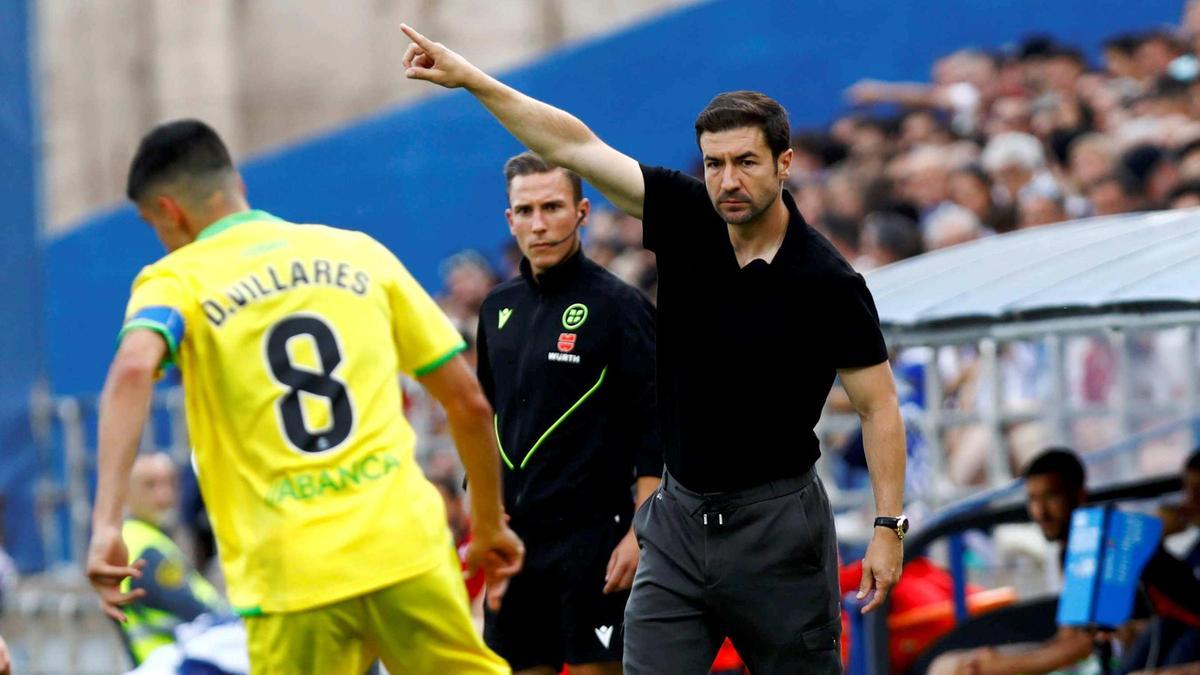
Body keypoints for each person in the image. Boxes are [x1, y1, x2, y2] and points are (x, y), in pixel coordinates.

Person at [399, 25, 908, 674]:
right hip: (678, 518)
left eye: (746, 162)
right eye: (714, 163)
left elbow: (878, 405)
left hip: (777, 525)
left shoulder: (827, 281)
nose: (727, 180)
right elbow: (572, 145)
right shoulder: (687, 214)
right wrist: (472, 79)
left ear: (785, 163)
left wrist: (888, 526)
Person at [85, 119, 523, 675]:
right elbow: (470, 404)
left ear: (169, 212)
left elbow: (132, 369)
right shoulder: (359, 253)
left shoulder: (176, 279)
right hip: (404, 549)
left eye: (154, 226)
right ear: (236, 182)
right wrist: (488, 525)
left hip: (291, 576)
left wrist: (106, 524)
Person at [475, 152, 661, 674]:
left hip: (597, 538)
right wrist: (486, 509)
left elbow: (657, 431)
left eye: (552, 207)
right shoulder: (496, 307)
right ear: (510, 220)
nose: (539, 224)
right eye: (526, 210)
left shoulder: (619, 306)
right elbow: (486, 418)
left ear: (581, 212)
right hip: (517, 542)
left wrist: (640, 536)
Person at [930, 448, 1200, 674]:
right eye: (1033, 499)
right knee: (946, 666)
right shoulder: (1074, 550)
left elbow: (1088, 642)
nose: (1040, 512)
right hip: (1129, 651)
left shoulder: (1108, 541)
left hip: (1164, 642)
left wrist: (1001, 666)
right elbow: (1071, 636)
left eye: (1050, 496)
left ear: (1079, 495)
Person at [117, 453, 225, 666]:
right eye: (150, 485)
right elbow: (194, 609)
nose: (164, 495)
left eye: (170, 483)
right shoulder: (144, 547)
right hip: (173, 664)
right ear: (126, 493)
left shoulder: (149, 538)